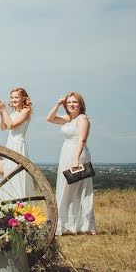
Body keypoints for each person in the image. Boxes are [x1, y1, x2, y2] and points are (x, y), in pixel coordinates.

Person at [47, 92, 96, 235]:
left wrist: (76, 159)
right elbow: (50, 118)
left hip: (78, 154)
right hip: (65, 153)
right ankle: (66, 224)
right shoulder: (68, 118)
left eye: (74, 102)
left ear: (80, 104)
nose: (71, 105)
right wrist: (58, 104)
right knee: (65, 189)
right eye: (68, 103)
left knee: (79, 190)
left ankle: (83, 225)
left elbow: (82, 140)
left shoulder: (82, 119)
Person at [0, 87, 34, 200]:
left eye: (16, 97)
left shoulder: (26, 111)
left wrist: (5, 110)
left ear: (23, 98)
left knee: (18, 175)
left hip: (18, 145)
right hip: (10, 144)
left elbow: (11, 125)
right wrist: (1, 112)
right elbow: (3, 127)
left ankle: (20, 201)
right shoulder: (13, 113)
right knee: (9, 174)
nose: (13, 99)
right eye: (12, 97)